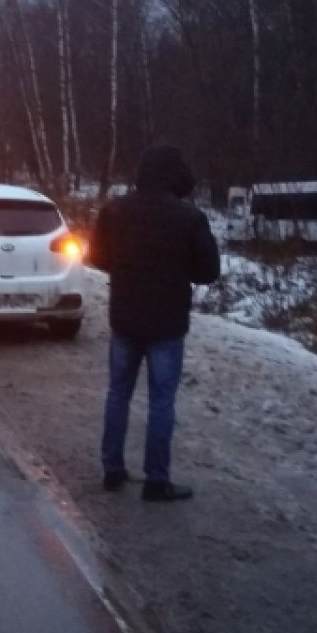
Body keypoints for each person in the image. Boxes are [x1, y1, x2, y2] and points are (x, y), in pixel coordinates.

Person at [88, 145, 221, 502]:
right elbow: (209, 272)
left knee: (118, 394)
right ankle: (156, 481)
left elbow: (96, 257)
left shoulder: (114, 211)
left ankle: (112, 470)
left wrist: (127, 266)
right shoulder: (189, 218)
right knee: (161, 402)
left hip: (125, 319)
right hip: (167, 323)